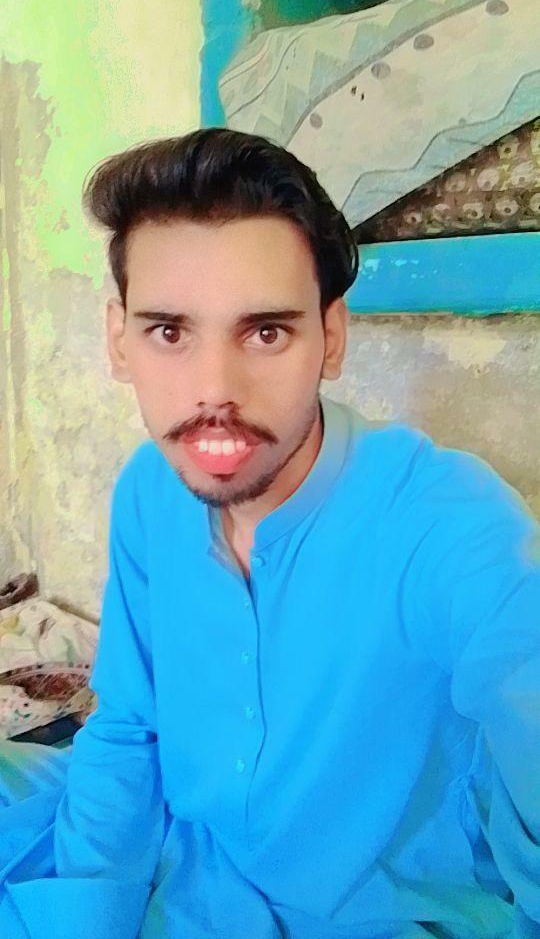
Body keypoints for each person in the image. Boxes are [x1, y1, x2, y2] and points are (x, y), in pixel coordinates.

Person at [0, 127, 539, 939]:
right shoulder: (151, 488)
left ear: (332, 336)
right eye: (170, 332)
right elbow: (128, 728)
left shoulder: (448, 523)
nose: (215, 391)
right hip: (172, 850)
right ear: (119, 340)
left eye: (265, 332)